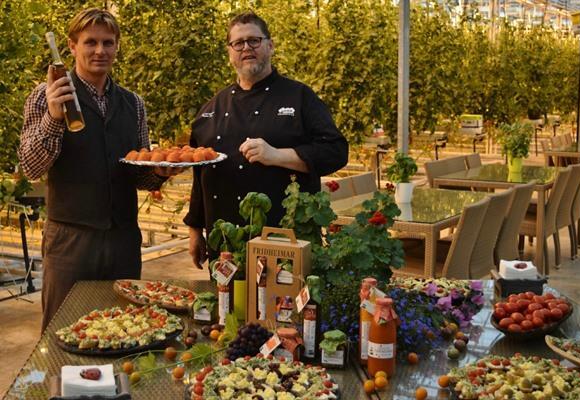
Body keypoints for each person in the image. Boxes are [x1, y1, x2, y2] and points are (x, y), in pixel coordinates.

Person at [19, 8, 172, 331]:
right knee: (65, 332)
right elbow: (32, 167)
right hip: (70, 243)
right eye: (90, 42)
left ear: (117, 46)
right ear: (72, 46)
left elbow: (138, 175)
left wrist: (160, 172)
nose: (100, 51)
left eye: (108, 42)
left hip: (123, 241)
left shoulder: (133, 104)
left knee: (126, 329)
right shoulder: (44, 97)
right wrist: (53, 118)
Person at [184, 12, 348, 267]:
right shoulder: (211, 108)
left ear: (270, 46)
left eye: (254, 40)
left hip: (285, 240)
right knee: (227, 305)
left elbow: (336, 151)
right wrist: (195, 229)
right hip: (225, 243)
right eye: (238, 43)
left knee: (282, 306)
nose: (246, 48)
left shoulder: (299, 97)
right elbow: (200, 175)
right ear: (229, 52)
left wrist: (278, 155)